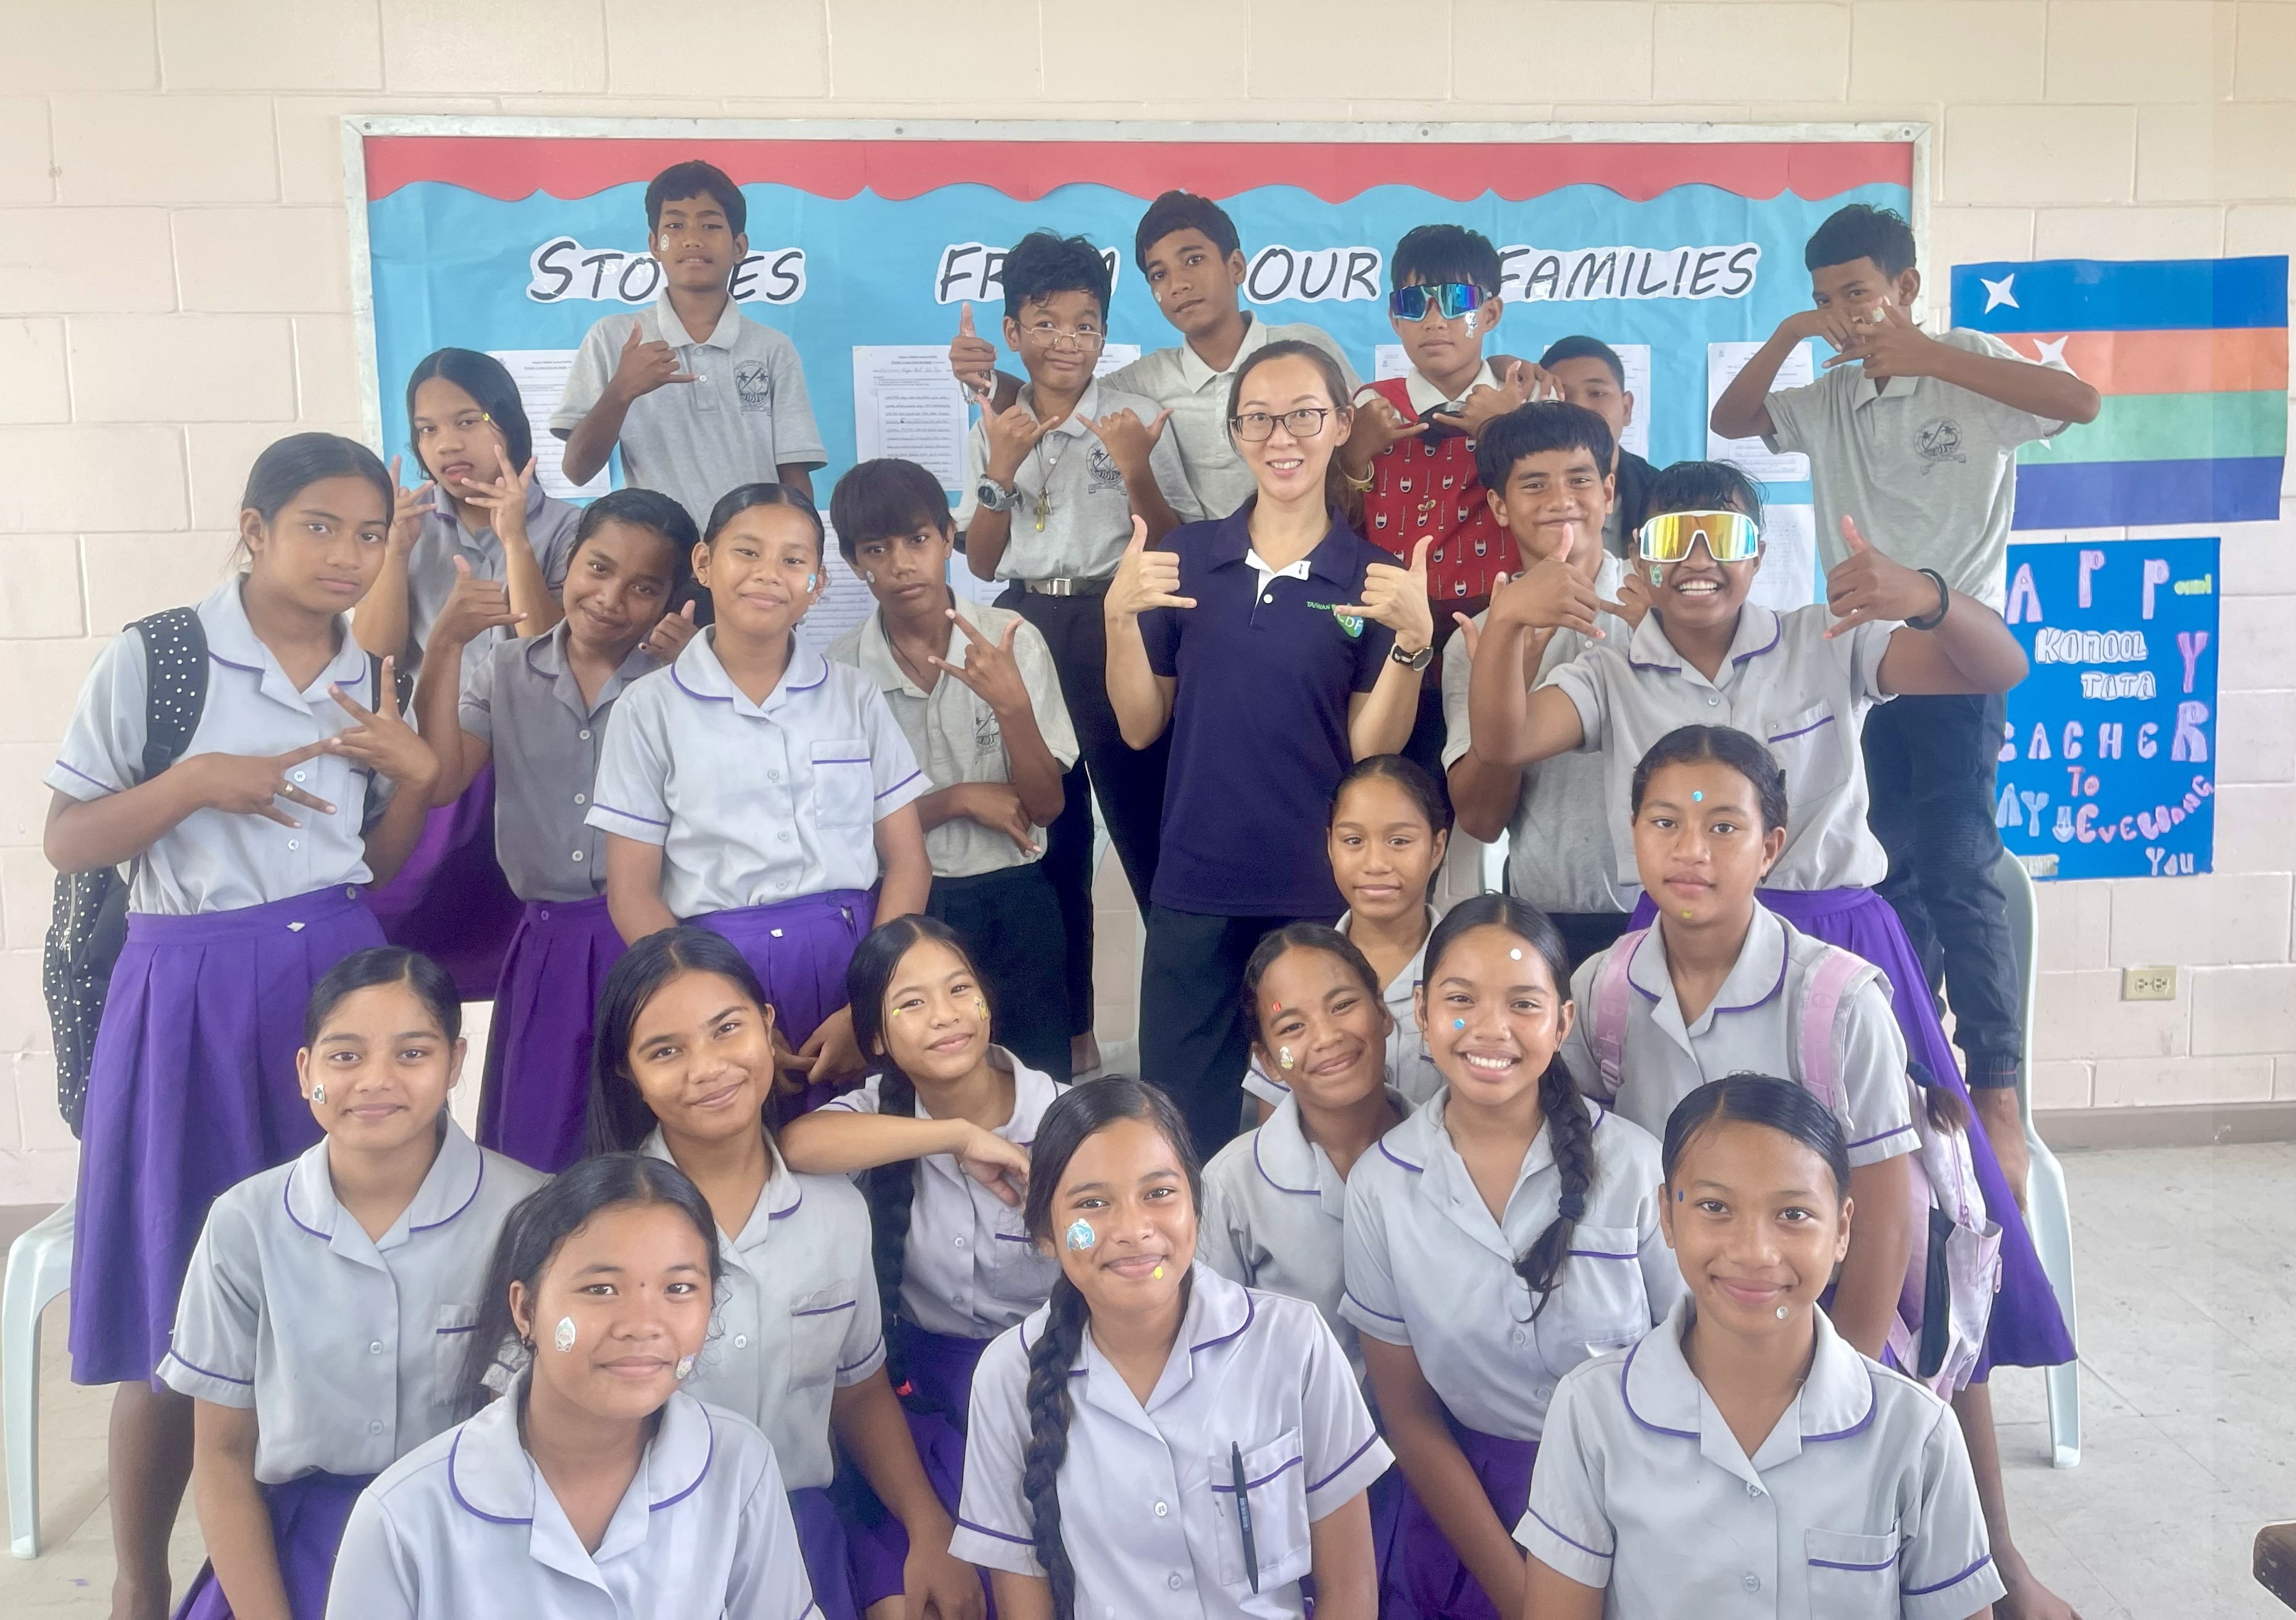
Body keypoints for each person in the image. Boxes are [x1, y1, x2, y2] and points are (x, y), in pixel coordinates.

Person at [1473, 464, 2073, 1616]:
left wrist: (1923, 595)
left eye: (1721, 533)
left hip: (1833, 940)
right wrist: (1506, 623)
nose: (1696, 558)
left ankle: (1990, 1554)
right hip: (1681, 937)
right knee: (1713, 1221)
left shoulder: (1819, 637)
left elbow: (1995, 667)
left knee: (1928, 1244)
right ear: (1634, 551)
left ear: (1758, 545)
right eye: (1668, 537)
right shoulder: (1611, 662)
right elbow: (1503, 738)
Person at [43, 432, 438, 1620]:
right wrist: (191, 782)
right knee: (179, 1302)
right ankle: (140, 1576)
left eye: (368, 534)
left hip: (337, 983)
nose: (346, 554)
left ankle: (293, 1559)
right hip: (190, 991)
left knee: (336, 1277)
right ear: (256, 529)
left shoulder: (370, 665)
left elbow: (374, 862)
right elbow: (68, 838)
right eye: (319, 525)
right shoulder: (161, 655)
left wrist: (418, 779)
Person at [1711, 202, 2100, 1225]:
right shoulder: (1831, 391)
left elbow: (2079, 400)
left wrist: (1926, 352)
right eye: (1824, 297)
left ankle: (1996, 1089)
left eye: (1857, 293)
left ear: (1905, 287)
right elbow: (1732, 420)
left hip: (1951, 650)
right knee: (1886, 864)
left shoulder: (1964, 360)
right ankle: (1919, 1069)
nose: (1843, 313)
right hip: (1857, 657)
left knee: (1956, 860)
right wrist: (1790, 334)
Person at [587, 927, 982, 1620]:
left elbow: (858, 1392)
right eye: (665, 1051)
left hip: (799, 1527)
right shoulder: (589, 1230)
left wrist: (927, 1526)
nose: (707, 1068)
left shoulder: (837, 1213)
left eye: (727, 1029)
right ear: (628, 1072)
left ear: (768, 1028)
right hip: (636, 1544)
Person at [1106, 340, 1435, 1153]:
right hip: (1194, 884)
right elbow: (1140, 725)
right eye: (1257, 419)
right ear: (1235, 434)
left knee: (1317, 1116)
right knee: (1177, 1123)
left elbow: (1368, 751)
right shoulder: (1185, 560)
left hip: (1312, 893)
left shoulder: (1369, 578)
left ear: (1340, 425)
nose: (1280, 437)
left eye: (1302, 416)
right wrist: (1117, 619)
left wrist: (1411, 645)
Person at [1516, 1075, 2005, 1620]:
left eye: (1793, 1215)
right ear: (1667, 1216)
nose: (1754, 1252)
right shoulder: (1591, 1412)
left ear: (1842, 1229)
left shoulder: (1916, 1433)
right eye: (1714, 1207)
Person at [162, 948, 546, 1620]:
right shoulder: (244, 1222)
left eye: (412, 1053)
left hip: (482, 1536)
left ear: (455, 1063)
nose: (375, 1080)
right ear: (305, 1071)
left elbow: (546, 1442)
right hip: (296, 1549)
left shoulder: (530, 1212)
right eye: (344, 1056)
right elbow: (222, 1456)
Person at [1343, 895, 1679, 1620]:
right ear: (1421, 1009)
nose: (1490, 1027)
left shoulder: (1634, 1167)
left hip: (1639, 1499)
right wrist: (1525, 1596)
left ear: (1561, 1021)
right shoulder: (1380, 1186)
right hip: (1466, 1514)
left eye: (1523, 1003)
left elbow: (1694, 1366)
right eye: (1460, 999)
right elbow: (1409, 1413)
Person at [950, 1077, 1392, 1618]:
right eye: (1092, 1203)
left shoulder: (1294, 1343)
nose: (1133, 1229)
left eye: (1159, 1193)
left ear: (1196, 1206)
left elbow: (1349, 1591)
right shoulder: (1007, 1376)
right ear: (1045, 1232)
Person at [1558, 727, 1921, 1369]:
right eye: (1664, 822)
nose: (1690, 850)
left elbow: (1884, 1225)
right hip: (1649, 1342)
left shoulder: (1838, 1005)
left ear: (1769, 848)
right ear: (1633, 832)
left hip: (1804, 1338)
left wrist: (1837, 1392)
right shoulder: (1600, 990)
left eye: (1723, 827)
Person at [325, 1153, 821, 1619]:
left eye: (679, 1288)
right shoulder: (402, 1515)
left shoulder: (739, 1465)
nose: (642, 1325)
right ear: (525, 1310)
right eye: (600, 1289)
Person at [956, 232, 1201, 1075]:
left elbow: (1171, 541)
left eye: (1085, 324)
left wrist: (1134, 469)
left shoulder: (1130, 415)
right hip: (1027, 625)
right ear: (1013, 330)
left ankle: (1186, 1030)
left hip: (1119, 620)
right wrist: (1000, 465)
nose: (1067, 341)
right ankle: (1070, 1042)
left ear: (1103, 333)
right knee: (1050, 843)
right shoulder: (996, 422)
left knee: (1148, 831)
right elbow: (981, 561)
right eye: (1046, 323)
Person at [588, 482, 930, 1087]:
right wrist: (719, 1013)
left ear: (816, 585)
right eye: (747, 552)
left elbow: (908, 861)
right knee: (737, 1128)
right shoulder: (647, 708)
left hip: (857, 965)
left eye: (793, 560)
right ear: (703, 562)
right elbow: (632, 893)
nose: (768, 573)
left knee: (862, 1126)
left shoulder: (854, 695)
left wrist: (870, 1002)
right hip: (709, 969)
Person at [778, 915, 1067, 1600]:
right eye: (911, 1002)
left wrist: (1075, 1236)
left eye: (960, 989)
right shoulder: (879, 1115)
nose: (945, 1015)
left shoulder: (1066, 1117)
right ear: (876, 1037)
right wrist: (955, 1136)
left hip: (1053, 1388)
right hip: (926, 1403)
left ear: (986, 1002)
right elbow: (795, 1145)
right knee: (913, 1591)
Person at [413, 487, 700, 1171]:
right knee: (540, 1148)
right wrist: (446, 642)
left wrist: (702, 680)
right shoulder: (506, 669)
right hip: (549, 945)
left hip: (653, 936)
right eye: (598, 568)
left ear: (671, 597)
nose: (611, 598)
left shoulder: (680, 679)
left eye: (643, 587)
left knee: (654, 1147)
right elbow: (441, 778)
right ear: (568, 561)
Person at [828, 456, 1081, 1081]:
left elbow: (1045, 806)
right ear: (853, 560)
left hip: (1015, 893)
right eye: (876, 548)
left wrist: (1011, 706)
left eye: (917, 539)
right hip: (906, 903)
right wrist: (958, 798)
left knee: (1034, 1080)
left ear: (947, 538)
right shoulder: (841, 672)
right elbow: (846, 826)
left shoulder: (1011, 638)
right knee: (923, 1079)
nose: (900, 564)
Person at [356, 347, 575, 1003]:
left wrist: (515, 541)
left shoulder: (573, 528)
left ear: (508, 422)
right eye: (426, 429)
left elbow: (551, 654)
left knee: (529, 973)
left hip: (537, 777)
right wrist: (393, 553)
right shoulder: (412, 527)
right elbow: (372, 654)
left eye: (466, 420)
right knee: (407, 975)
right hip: (437, 771)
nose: (446, 444)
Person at [951, 191, 1365, 522]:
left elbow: (1367, 431)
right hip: (1209, 576)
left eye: (1194, 260)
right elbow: (1058, 402)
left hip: (1316, 553)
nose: (1178, 284)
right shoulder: (1145, 382)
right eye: (1160, 274)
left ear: (1236, 266)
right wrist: (986, 381)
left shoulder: (1303, 348)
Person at [1348, 225, 1552, 775]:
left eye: (1456, 300)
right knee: (1393, 781)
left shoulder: (1529, 402)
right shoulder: (1369, 407)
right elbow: (1336, 521)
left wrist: (1506, 430)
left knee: (1492, 782)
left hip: (1496, 629)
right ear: (1394, 318)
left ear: (1489, 313)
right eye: (1414, 303)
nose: (1434, 320)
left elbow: (1562, 500)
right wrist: (1353, 457)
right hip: (1389, 633)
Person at [1440, 404, 1635, 971]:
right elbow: (1481, 819)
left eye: (1579, 480)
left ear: (1608, 491)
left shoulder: (1660, 608)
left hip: (1672, 910)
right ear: (1499, 506)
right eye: (1533, 485)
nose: (1559, 500)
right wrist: (1512, 671)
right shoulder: (1476, 638)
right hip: (1546, 916)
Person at [553, 158, 826, 528]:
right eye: (675, 225)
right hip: (660, 551)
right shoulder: (614, 338)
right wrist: (621, 390)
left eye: (711, 225)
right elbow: (577, 471)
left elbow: (794, 476)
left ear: (739, 246)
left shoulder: (773, 349)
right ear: (655, 244)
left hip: (750, 550)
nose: (692, 239)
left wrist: (798, 552)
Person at [1203, 923, 1409, 1372]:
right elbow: (1212, 1346)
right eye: (1292, 1026)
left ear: (1382, 1013)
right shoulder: (1232, 1184)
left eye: (1343, 1005)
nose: (1326, 1037)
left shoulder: (1448, 1153)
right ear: (1269, 1062)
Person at [1243, 755, 1451, 1115]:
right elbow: (1276, 1125)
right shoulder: (1292, 973)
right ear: (1330, 845)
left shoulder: (1467, 974)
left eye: (1399, 841)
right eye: (1353, 840)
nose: (1376, 864)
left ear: (1437, 846)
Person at [1535, 336, 1658, 552]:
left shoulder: (1661, 494)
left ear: (1626, 409)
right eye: (1563, 395)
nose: (1580, 407)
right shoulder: (1519, 491)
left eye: (1597, 393)